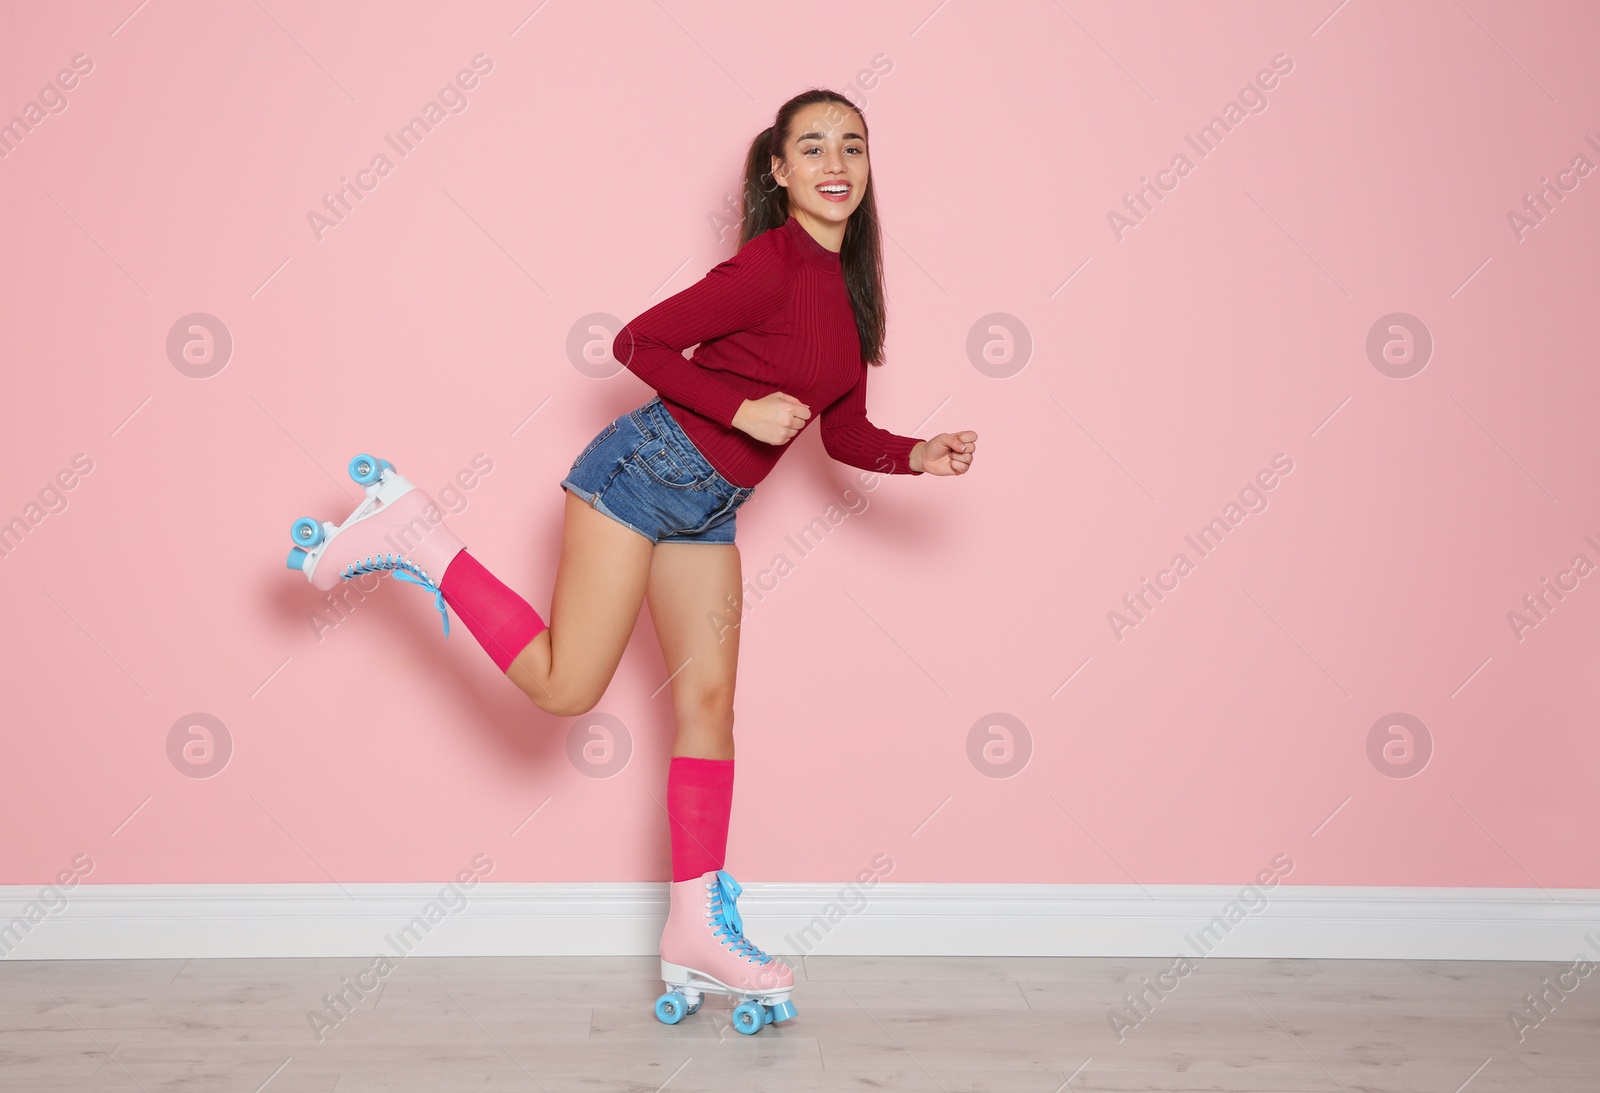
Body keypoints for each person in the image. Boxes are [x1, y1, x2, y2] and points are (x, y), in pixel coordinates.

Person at [283, 87, 978, 1032]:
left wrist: (919, 453)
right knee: (568, 688)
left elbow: (842, 430)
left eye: (851, 146)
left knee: (708, 705)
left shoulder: (850, 295)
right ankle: (414, 535)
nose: (834, 163)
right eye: (810, 147)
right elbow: (636, 341)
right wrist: (737, 410)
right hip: (640, 474)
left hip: (710, 508)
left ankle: (695, 923)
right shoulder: (767, 267)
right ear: (777, 171)